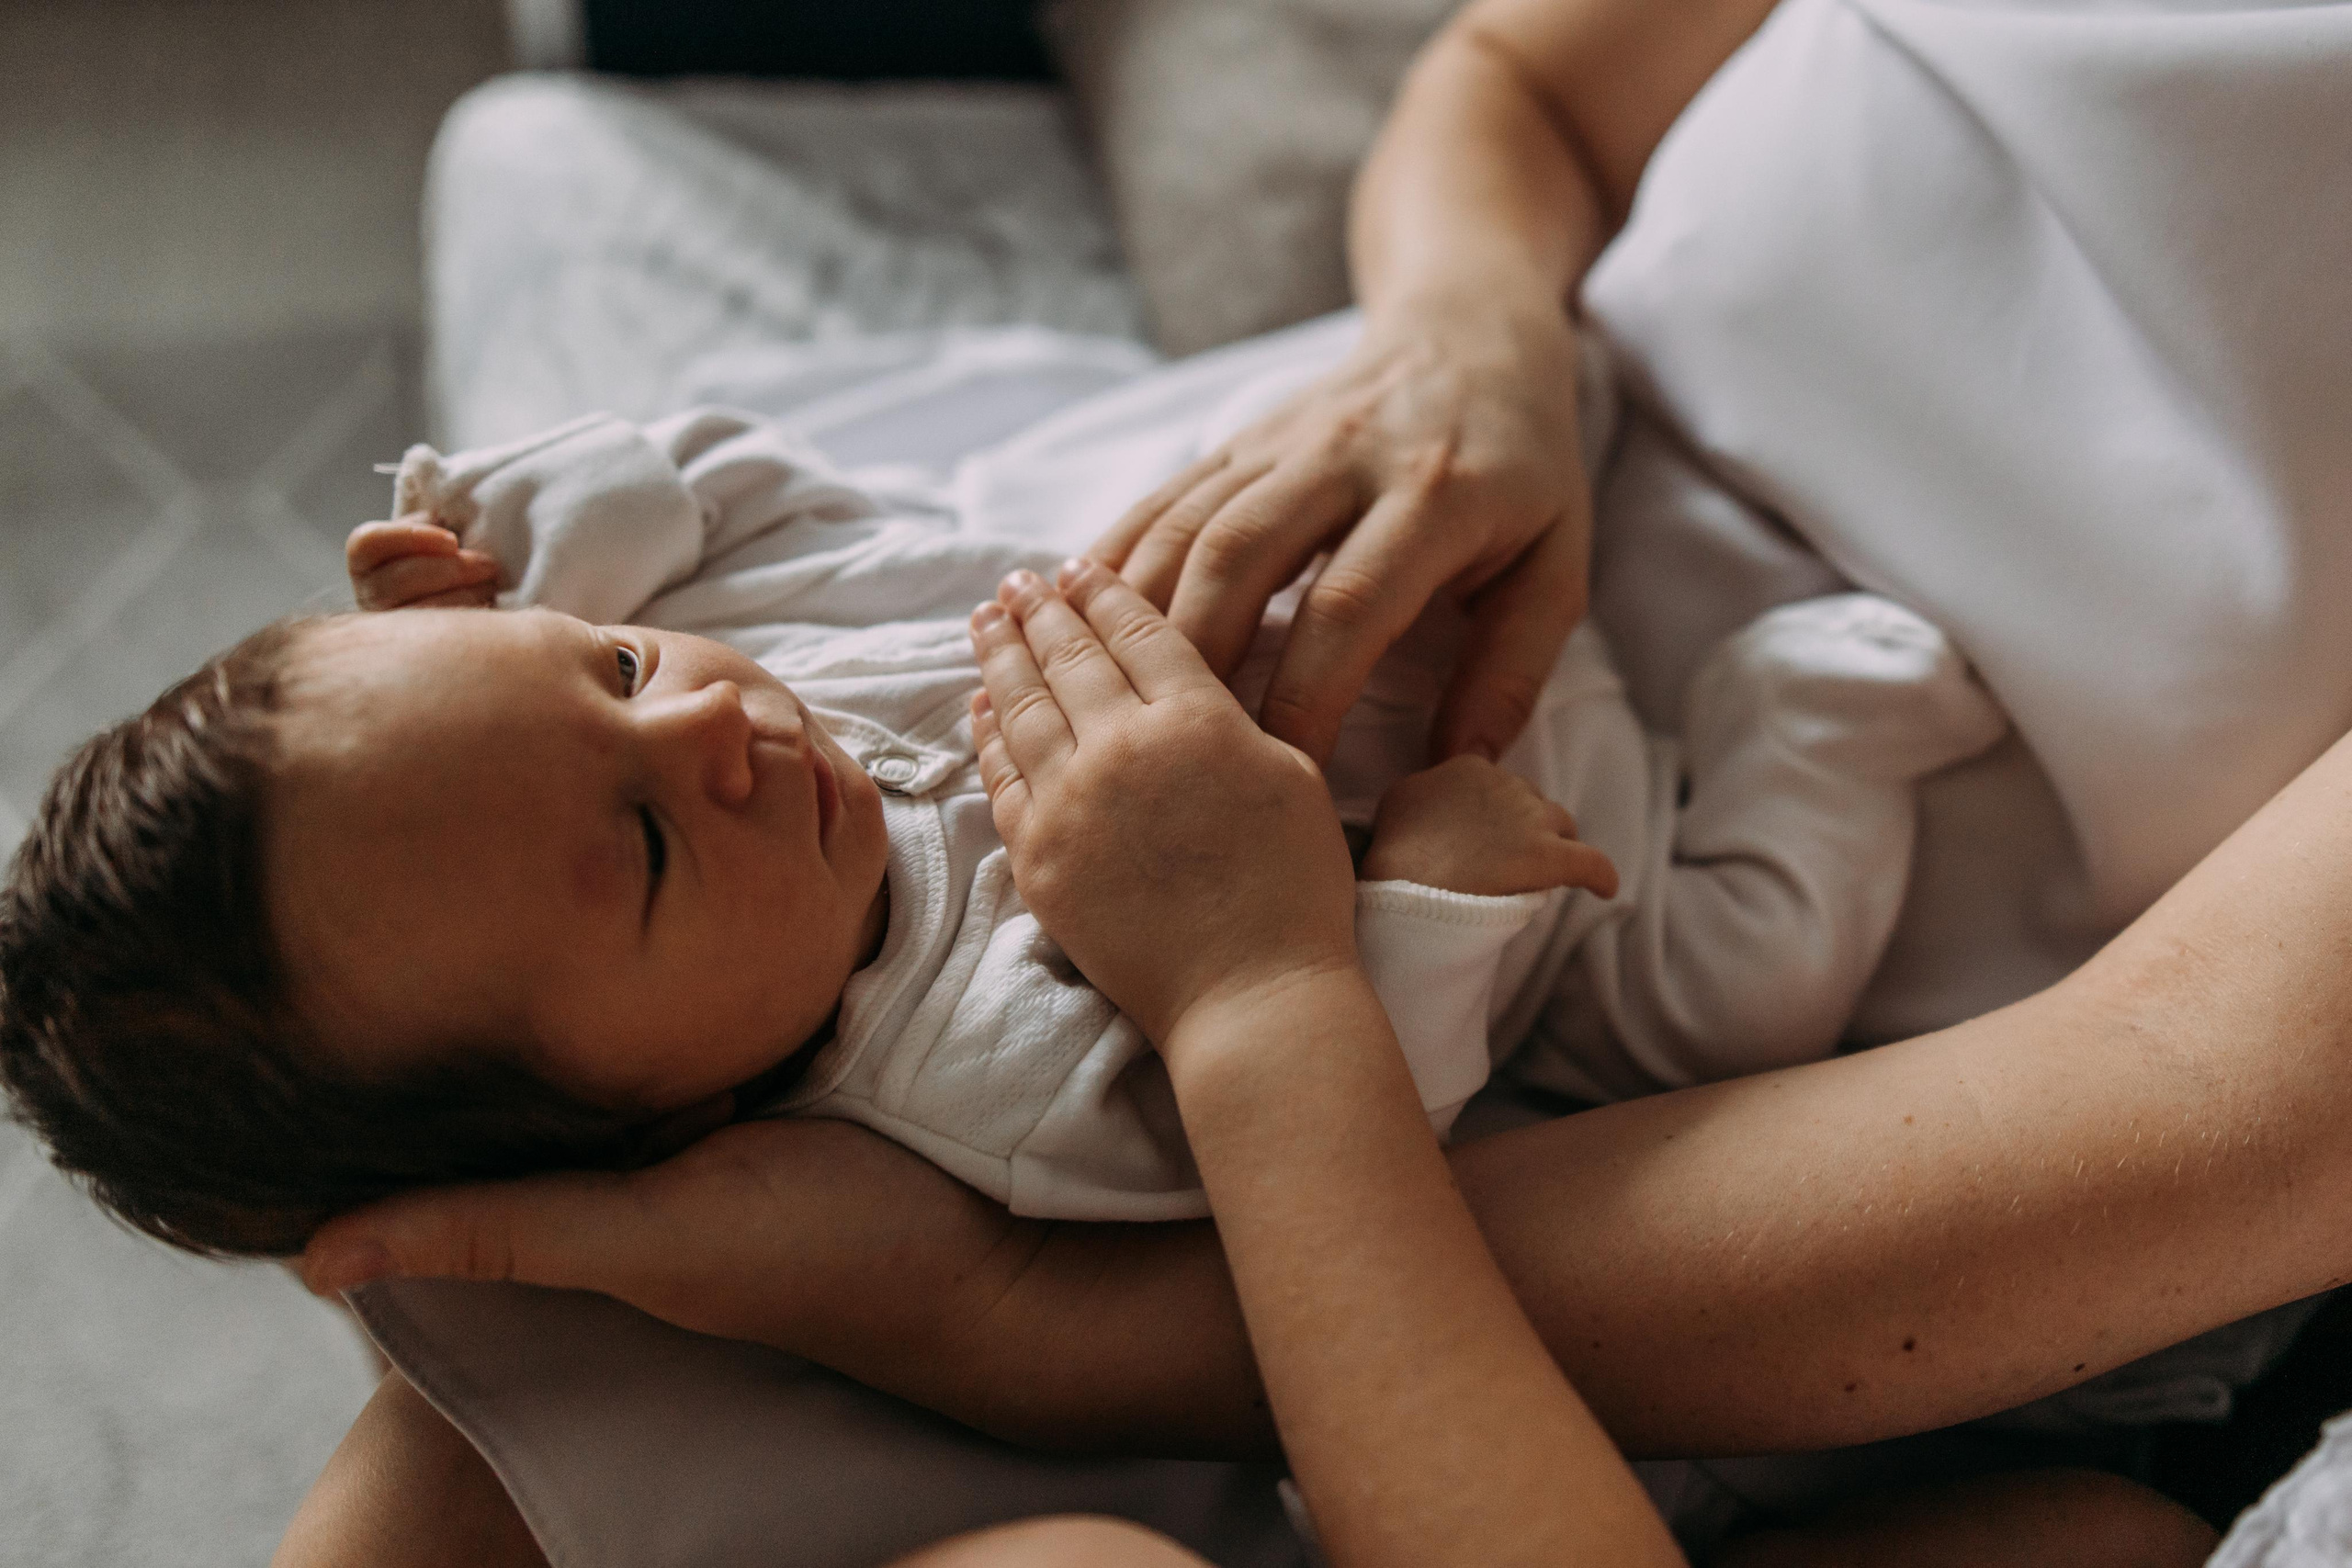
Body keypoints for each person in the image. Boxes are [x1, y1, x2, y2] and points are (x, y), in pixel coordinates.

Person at [273, 0, 2352, 1558]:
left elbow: (2202, 1103)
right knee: (469, 1370)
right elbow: (1513, 87)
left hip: (1710, 1010)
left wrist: (1018, 1314)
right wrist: (1466, 338)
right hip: (1422, 525)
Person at [0, 402, 1997, 1255]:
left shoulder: (709, 647)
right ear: (643, 1127)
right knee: (1729, 999)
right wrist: (1439, 887)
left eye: (601, 664)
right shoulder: (987, 1083)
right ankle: (1798, 720)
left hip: (1375, 591)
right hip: (1558, 844)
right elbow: (1310, 1119)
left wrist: (531, 530)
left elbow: (736, 489)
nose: (704, 717)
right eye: (647, 852)